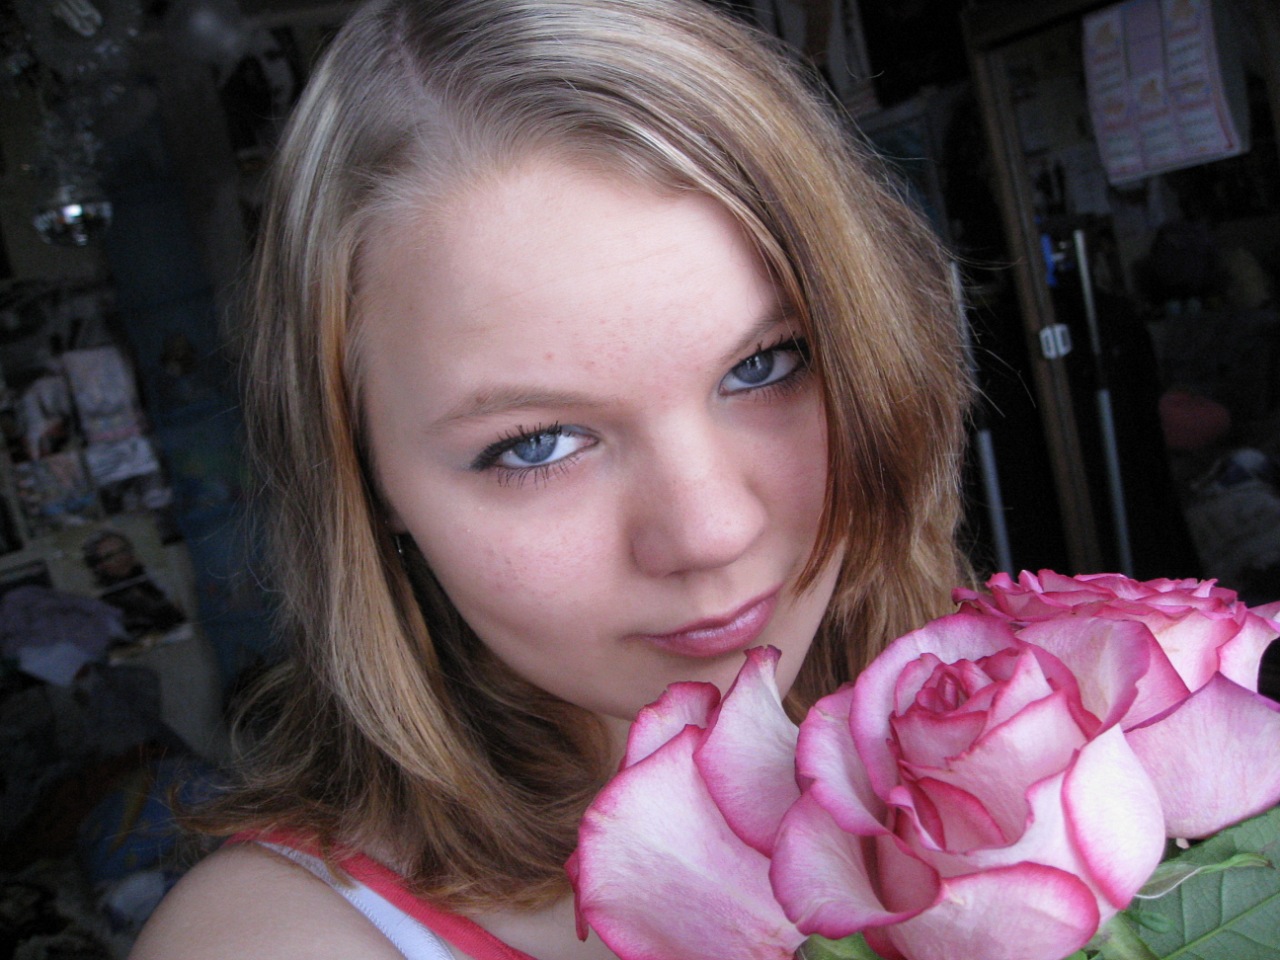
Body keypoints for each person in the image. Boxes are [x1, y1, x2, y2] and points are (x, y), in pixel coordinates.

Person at [130, 1, 972, 958]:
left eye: (766, 365)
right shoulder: (274, 942)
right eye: (535, 444)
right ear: (368, 483)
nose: (710, 531)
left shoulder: (1042, 754)